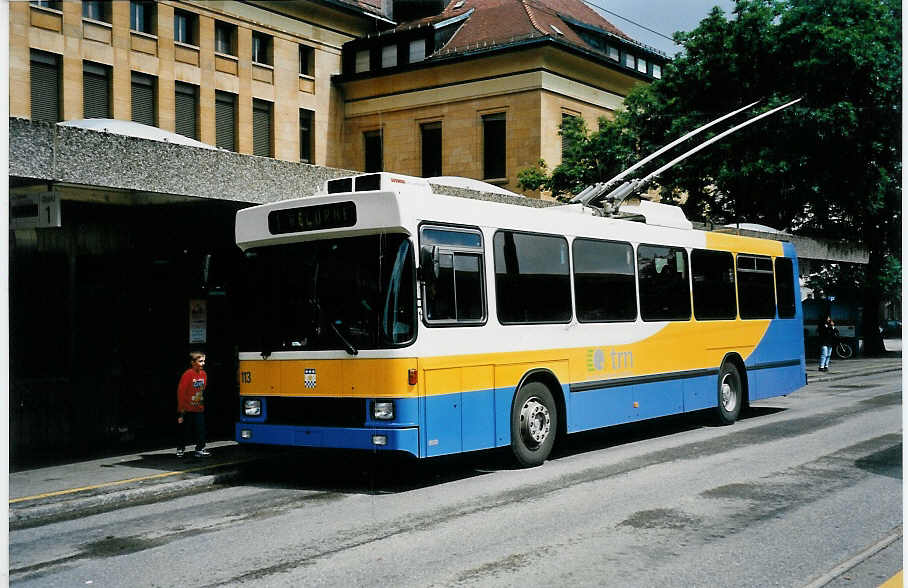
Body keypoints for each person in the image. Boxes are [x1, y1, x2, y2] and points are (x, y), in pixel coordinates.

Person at [176, 351, 209, 457]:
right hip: (187, 408)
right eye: (200, 361)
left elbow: (202, 390)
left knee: (200, 430)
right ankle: (180, 448)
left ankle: (200, 449)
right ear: (193, 362)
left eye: (204, 361)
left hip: (199, 407)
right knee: (185, 430)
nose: (203, 363)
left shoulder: (204, 374)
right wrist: (181, 410)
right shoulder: (187, 375)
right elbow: (181, 392)